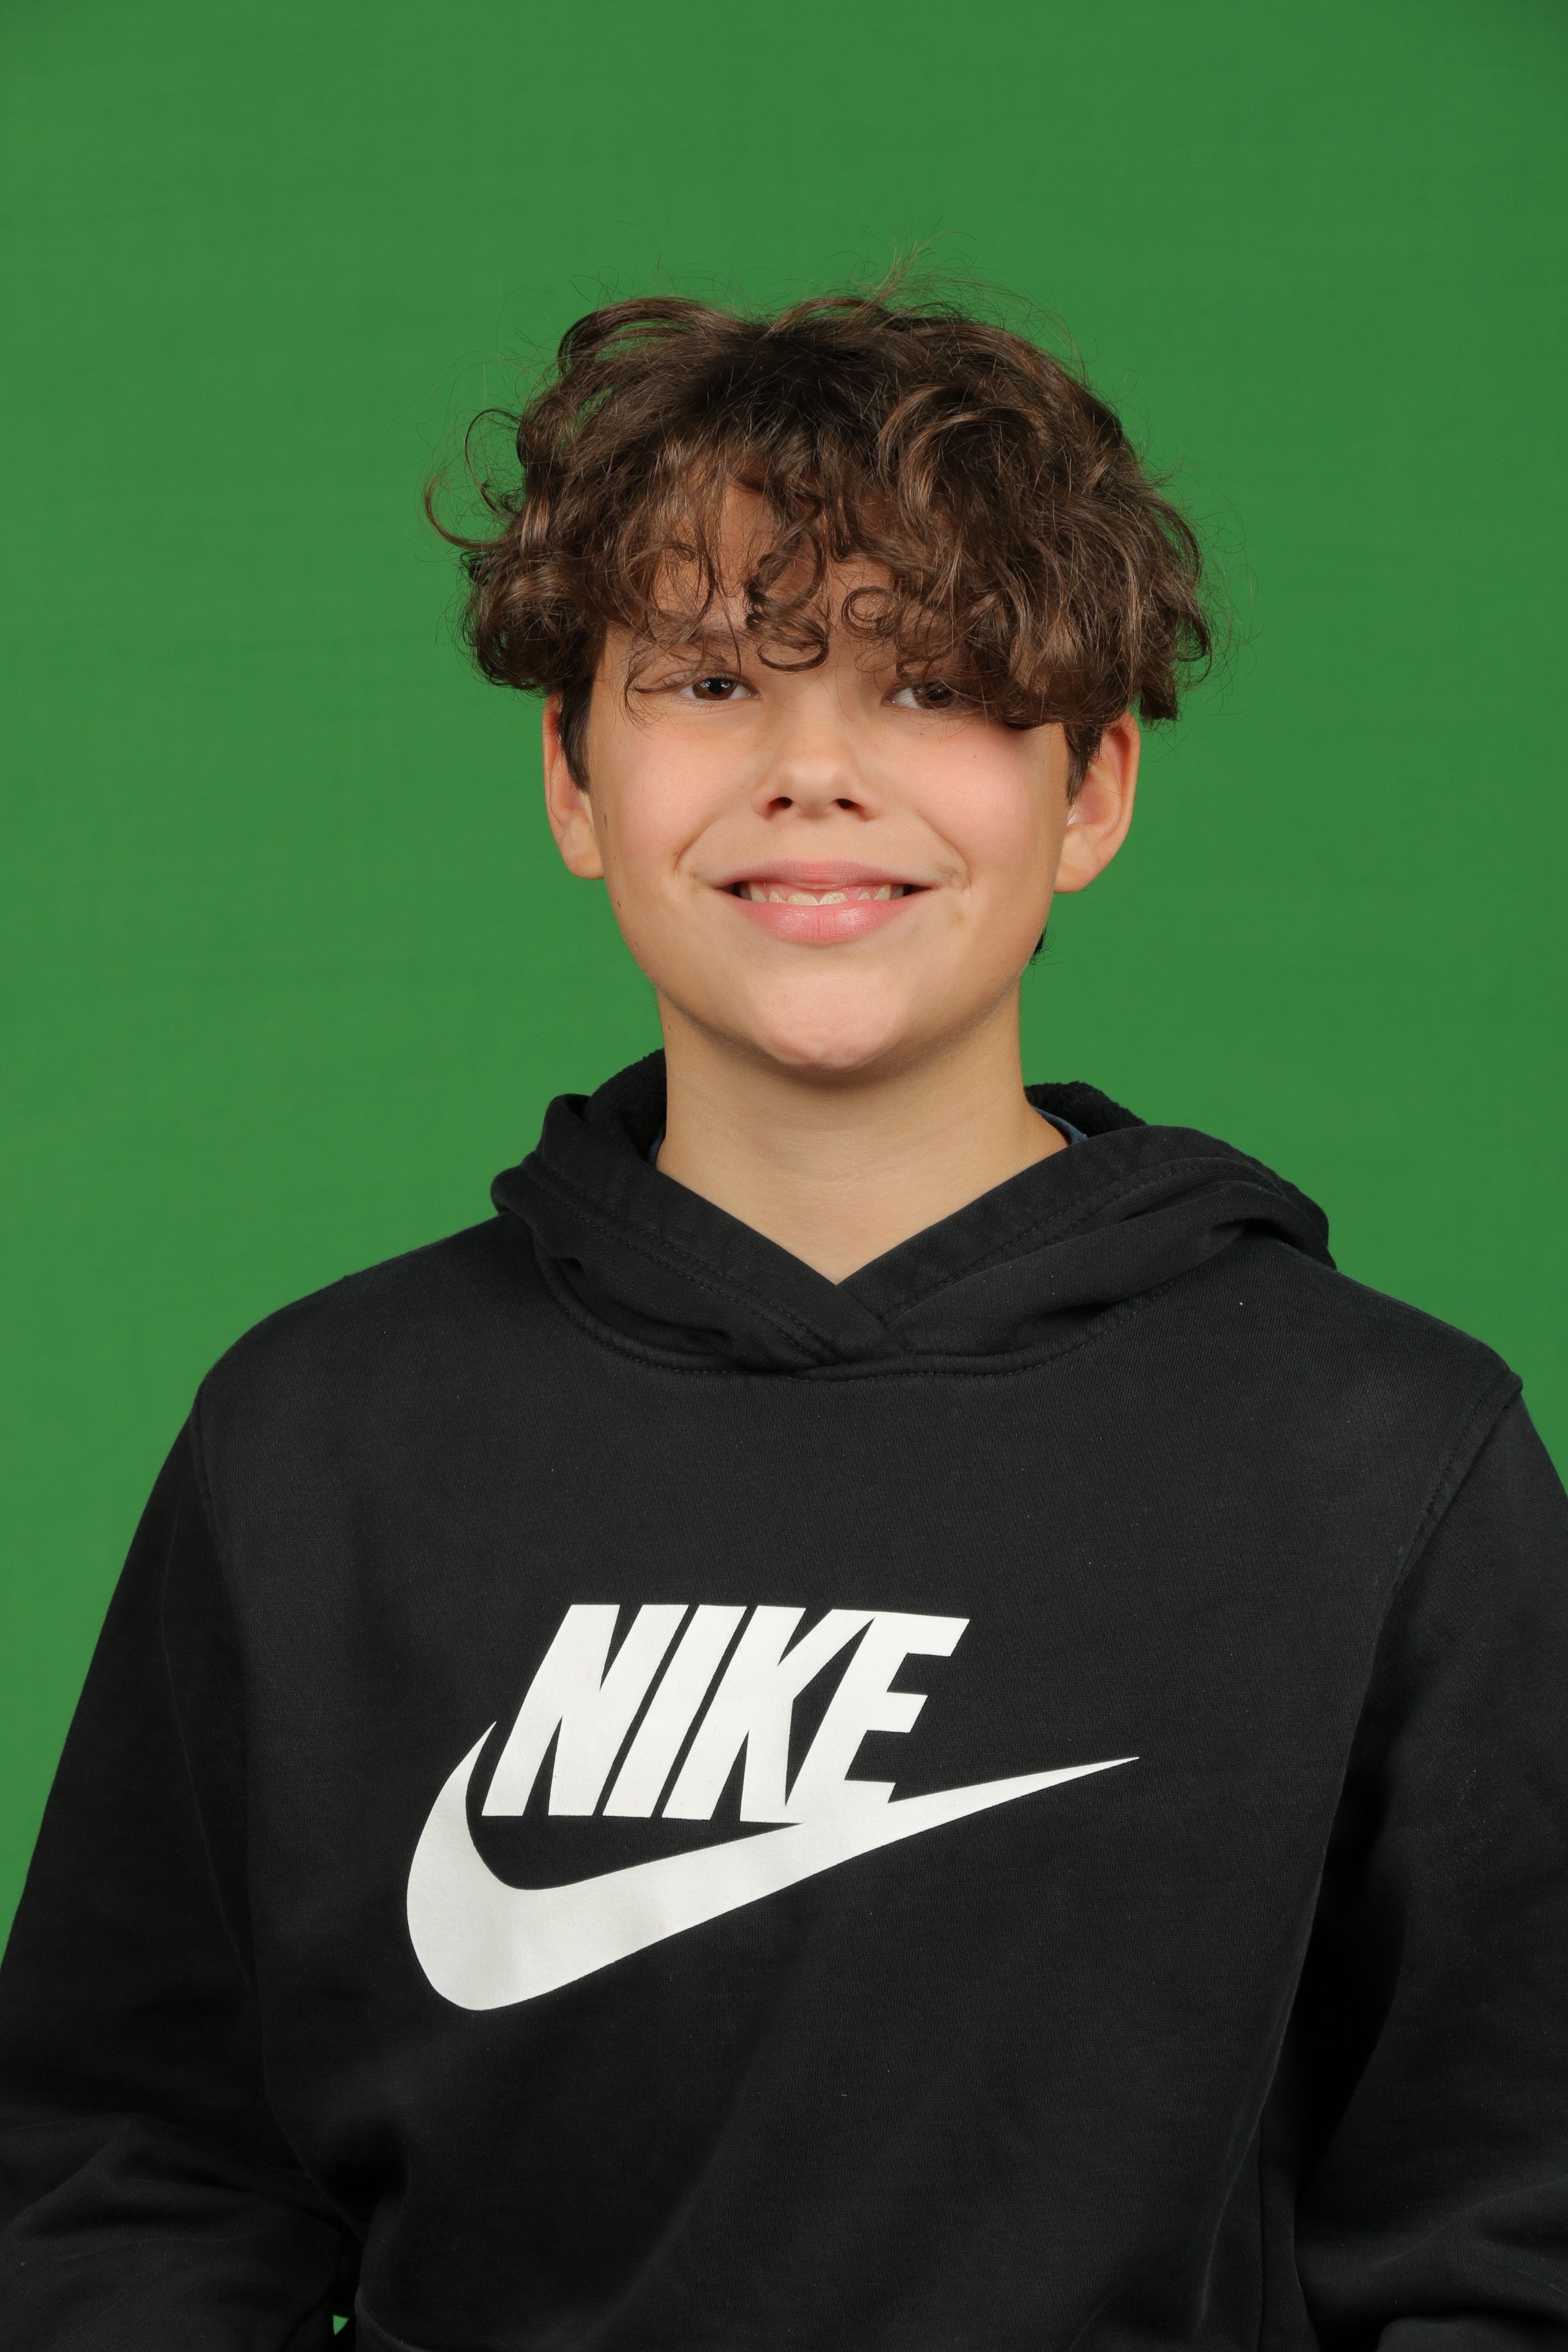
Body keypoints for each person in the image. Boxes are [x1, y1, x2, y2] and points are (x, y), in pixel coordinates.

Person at [1, 287, 1565, 2352]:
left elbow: (1509, 2228)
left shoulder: (1382, 1456)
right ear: (574, 778)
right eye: (715, 678)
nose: (815, 771)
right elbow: (131, 2187)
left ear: (1091, 789)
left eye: (933, 685)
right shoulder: (315, 1440)